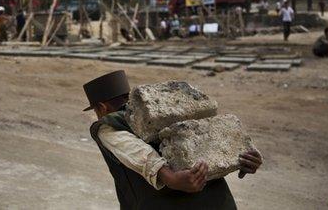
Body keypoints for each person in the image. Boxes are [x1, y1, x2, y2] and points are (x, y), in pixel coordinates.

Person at [83, 70, 262, 209]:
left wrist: (170, 178)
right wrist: (245, 158)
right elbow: (216, 138)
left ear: (102, 107)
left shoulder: (107, 127)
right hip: (220, 203)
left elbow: (136, 151)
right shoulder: (167, 108)